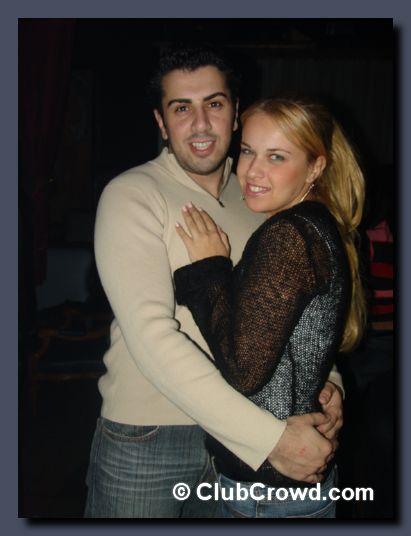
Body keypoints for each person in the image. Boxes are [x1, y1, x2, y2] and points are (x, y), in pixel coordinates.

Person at [84, 44, 344, 519]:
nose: (201, 124)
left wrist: (328, 382)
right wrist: (268, 439)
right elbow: (152, 336)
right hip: (154, 437)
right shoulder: (132, 194)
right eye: (181, 108)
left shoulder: (258, 193)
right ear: (161, 122)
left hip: (247, 446)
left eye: (214, 104)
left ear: (236, 111)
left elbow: (296, 312)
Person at [173, 96, 366, 518]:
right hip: (287, 487)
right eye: (247, 151)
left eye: (276, 156)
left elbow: (243, 370)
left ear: (315, 167)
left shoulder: (289, 236)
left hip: (268, 494)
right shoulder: (310, 224)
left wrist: (208, 268)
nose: (252, 171)